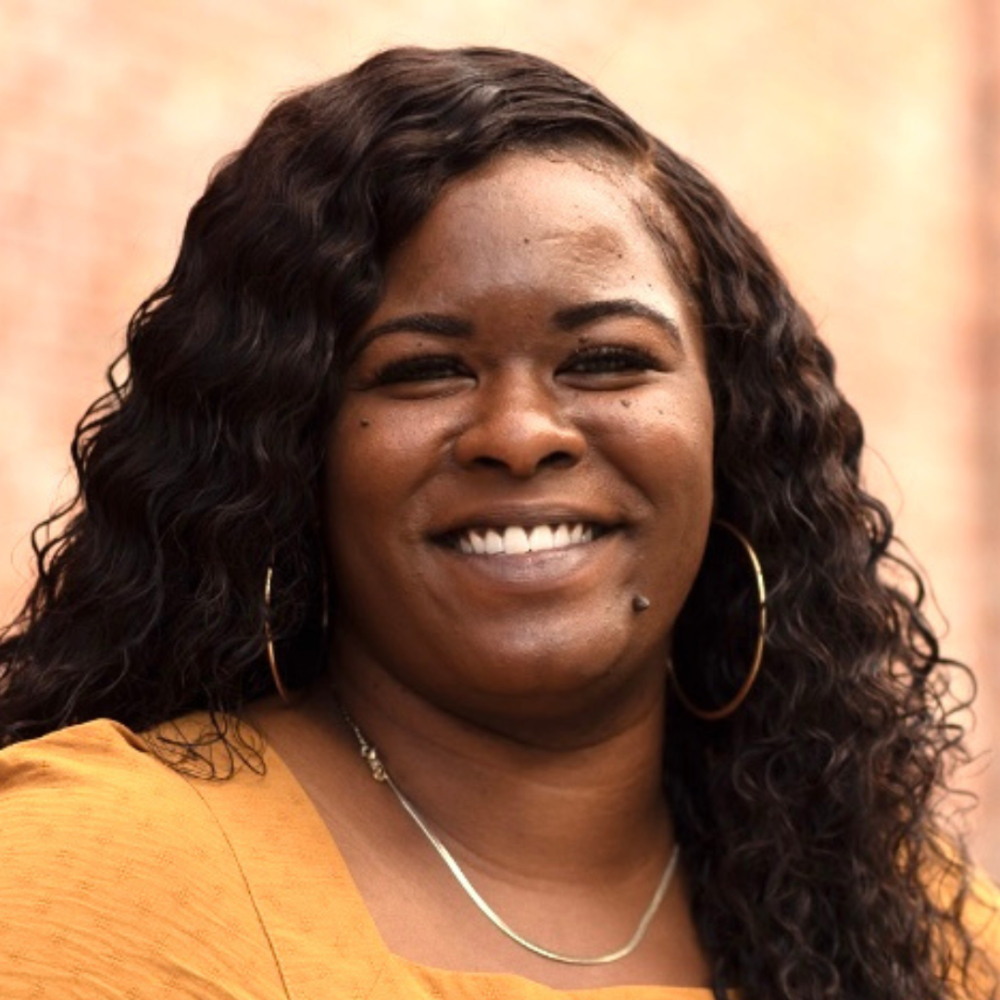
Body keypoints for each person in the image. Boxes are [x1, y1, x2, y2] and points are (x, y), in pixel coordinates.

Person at [0, 45, 996, 1000]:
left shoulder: (922, 935)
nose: (519, 435)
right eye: (421, 370)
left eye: (606, 360)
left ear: (727, 429)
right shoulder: (86, 880)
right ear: (287, 451)